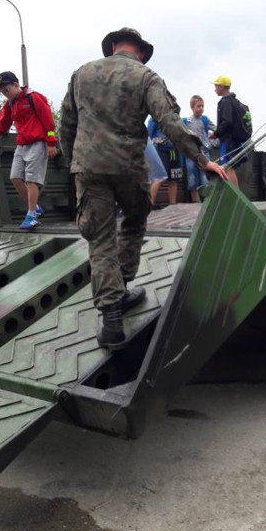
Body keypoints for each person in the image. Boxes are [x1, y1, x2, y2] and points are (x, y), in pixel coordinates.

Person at [59, 26, 228, 352]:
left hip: (89, 168)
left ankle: (112, 316)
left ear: (112, 47)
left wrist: (74, 163)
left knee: (101, 237)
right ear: (140, 51)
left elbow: (66, 124)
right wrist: (201, 159)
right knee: (136, 220)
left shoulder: (81, 73)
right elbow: (169, 121)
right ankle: (119, 288)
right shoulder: (146, 76)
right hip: (129, 168)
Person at [0, 72, 58, 230]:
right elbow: (1, 124)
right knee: (15, 177)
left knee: (32, 180)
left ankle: (32, 215)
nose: (4, 93)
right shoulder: (10, 104)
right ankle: (35, 208)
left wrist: (51, 142)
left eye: (5, 88)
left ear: (15, 84)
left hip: (38, 142)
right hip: (22, 145)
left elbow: (49, 120)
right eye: (1, 91)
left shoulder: (34, 98)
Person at [209, 75, 252, 189]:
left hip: (228, 140)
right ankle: (236, 195)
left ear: (222, 87)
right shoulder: (235, 101)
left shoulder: (225, 101)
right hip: (235, 140)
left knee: (228, 167)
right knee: (230, 167)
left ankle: (235, 196)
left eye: (216, 86)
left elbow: (227, 121)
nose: (215, 89)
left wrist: (216, 134)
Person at [182, 95, 216, 202]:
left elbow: (217, 131)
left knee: (204, 179)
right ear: (192, 107)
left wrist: (211, 144)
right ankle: (196, 203)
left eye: (202, 106)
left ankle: (207, 202)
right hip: (191, 155)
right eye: (198, 106)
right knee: (192, 180)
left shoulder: (205, 120)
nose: (201, 108)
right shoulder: (186, 121)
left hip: (204, 154)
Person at [147, 116, 183, 206]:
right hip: (160, 150)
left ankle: (173, 204)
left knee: (173, 179)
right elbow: (149, 135)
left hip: (174, 151)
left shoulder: (176, 117)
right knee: (159, 177)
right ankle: (149, 204)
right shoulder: (154, 118)